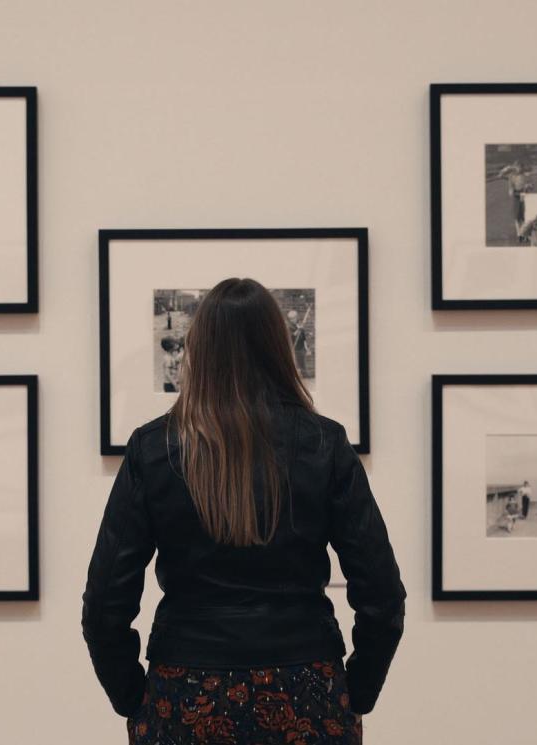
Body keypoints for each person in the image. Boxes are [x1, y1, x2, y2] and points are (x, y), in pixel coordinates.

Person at [83, 278, 404, 744]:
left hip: (186, 691)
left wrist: (136, 700)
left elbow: (104, 606)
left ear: (197, 349)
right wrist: (356, 695)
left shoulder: (154, 449)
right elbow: (383, 595)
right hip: (306, 687)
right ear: (279, 348)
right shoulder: (324, 444)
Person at [499, 161, 530, 241]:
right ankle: (519, 234)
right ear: (514, 167)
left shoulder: (525, 176)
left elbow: (530, 185)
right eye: (516, 167)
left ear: (522, 168)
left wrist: (528, 187)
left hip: (524, 195)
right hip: (515, 195)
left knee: (524, 215)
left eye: (520, 167)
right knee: (517, 216)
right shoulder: (511, 176)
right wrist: (506, 168)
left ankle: (524, 234)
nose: (518, 168)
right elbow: (500, 176)